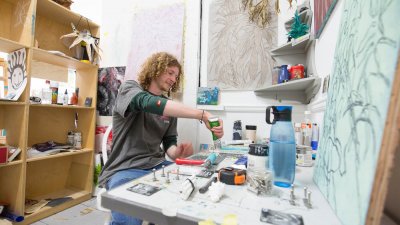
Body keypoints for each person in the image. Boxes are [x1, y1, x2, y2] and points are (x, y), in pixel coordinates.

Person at [98, 52, 224, 225]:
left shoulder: (170, 110)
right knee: (128, 219)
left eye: (176, 76)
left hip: (158, 167)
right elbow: (146, 102)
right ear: (155, 69)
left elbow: (169, 147)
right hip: (124, 168)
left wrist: (178, 152)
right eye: (170, 72)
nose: (173, 78)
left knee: (193, 196)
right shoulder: (130, 88)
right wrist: (201, 114)